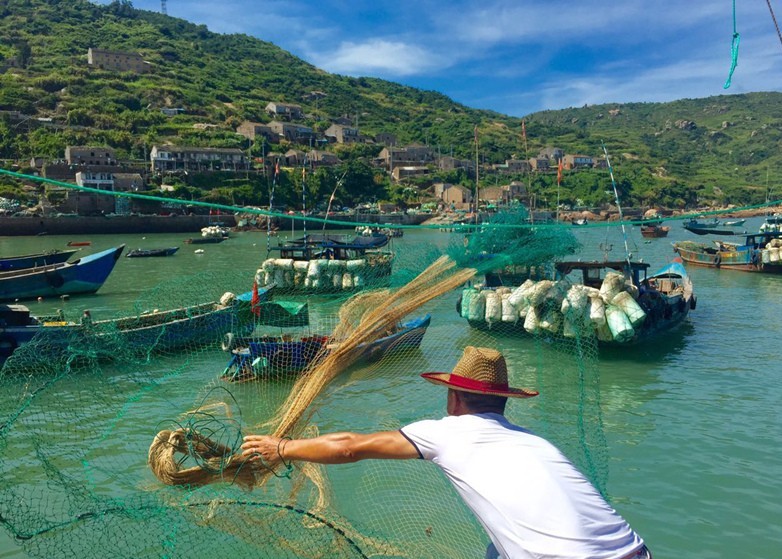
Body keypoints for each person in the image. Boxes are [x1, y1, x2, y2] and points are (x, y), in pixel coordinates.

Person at [242, 346, 650, 559]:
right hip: (636, 550)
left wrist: (282, 448)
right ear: (503, 402)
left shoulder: (449, 433)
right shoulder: (533, 441)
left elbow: (350, 447)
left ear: (454, 397)